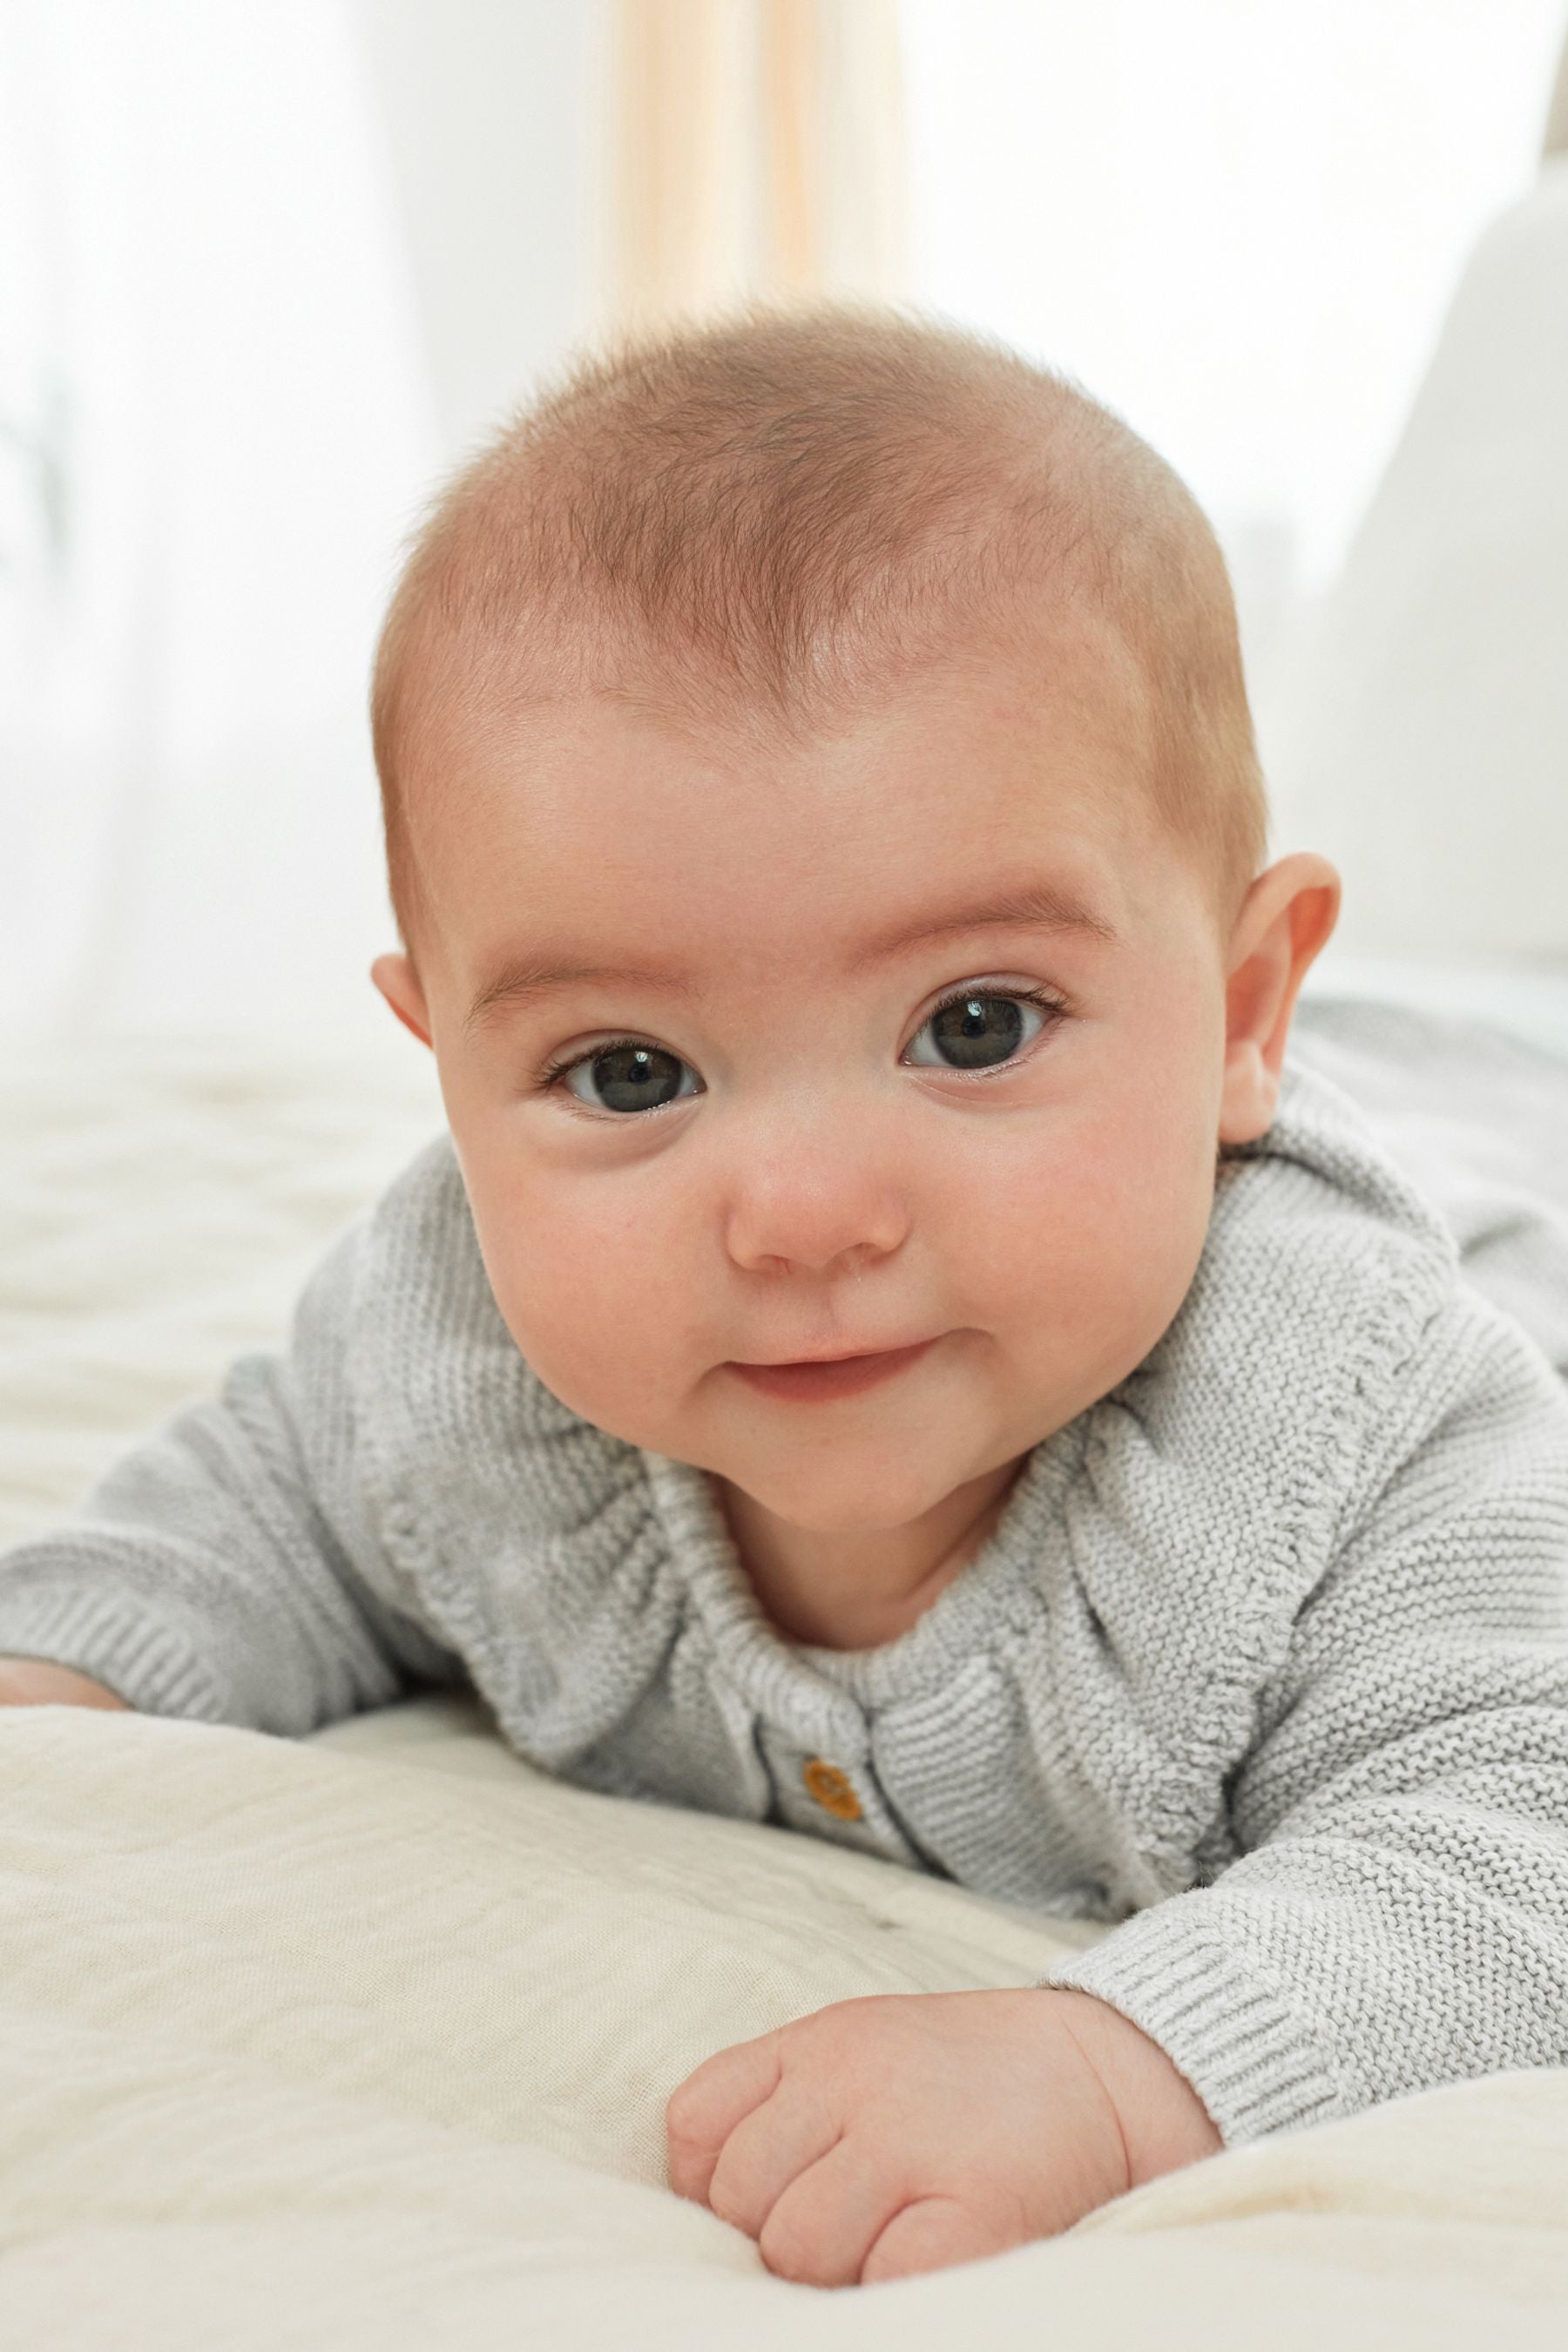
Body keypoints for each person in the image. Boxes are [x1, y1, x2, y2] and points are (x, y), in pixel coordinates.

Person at [3, 308, 1568, 2291]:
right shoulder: (460, 1352)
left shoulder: (1349, 1421)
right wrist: (62, 1670)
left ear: (1248, 1010)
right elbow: (265, 1512)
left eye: (976, 1026)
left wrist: (1114, 2066)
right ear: (449, 1067)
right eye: (630, 1074)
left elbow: (1523, 1840)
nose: (805, 1215)